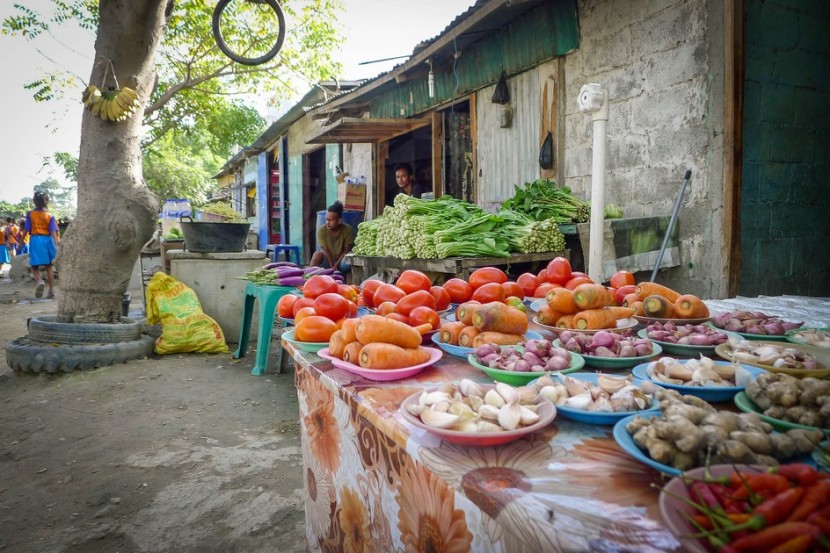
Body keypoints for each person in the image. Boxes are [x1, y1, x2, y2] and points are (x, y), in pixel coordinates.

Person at [24, 192, 60, 299]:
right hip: (48, 240)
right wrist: (57, 245)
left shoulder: (30, 214)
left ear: (34, 201)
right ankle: (52, 291)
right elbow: (53, 232)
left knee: (34, 266)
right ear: (46, 201)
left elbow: (26, 230)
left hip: (36, 240)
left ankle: (40, 281)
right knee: (49, 267)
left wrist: (21, 242)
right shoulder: (50, 215)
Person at [310, 200, 353, 274]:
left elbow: (346, 250)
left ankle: (350, 283)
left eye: (331, 220)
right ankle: (308, 278)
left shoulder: (347, 229)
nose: (327, 223)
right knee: (317, 255)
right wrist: (332, 267)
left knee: (350, 259)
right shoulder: (322, 230)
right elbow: (326, 251)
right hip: (328, 259)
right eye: (326, 219)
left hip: (341, 260)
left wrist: (336, 265)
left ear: (339, 220)